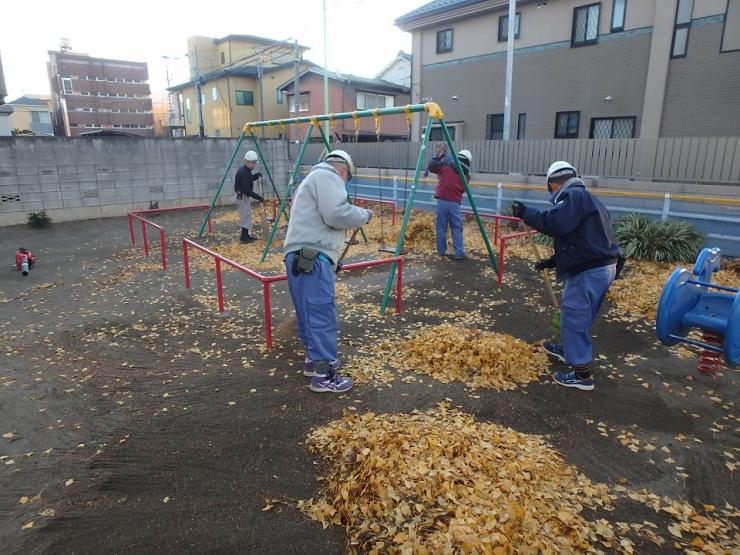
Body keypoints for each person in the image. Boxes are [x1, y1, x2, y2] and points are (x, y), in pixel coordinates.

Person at [511, 161, 623, 392]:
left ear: (553, 183)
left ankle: (582, 375)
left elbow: (557, 224)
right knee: (580, 314)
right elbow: (583, 239)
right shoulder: (590, 199)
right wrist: (552, 262)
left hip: (589, 271)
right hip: (603, 266)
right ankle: (570, 351)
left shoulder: (571, 196)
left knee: (574, 316)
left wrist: (526, 213)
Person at [283, 150, 373, 394]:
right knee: (321, 312)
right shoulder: (328, 176)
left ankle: (314, 361)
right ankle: (324, 375)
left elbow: (323, 220)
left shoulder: (312, 180)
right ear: (343, 171)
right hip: (313, 258)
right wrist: (363, 215)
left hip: (301, 257)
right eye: (347, 180)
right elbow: (336, 213)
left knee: (308, 311)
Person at [428, 149, 472, 261]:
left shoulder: (445, 167)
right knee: (457, 228)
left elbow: (432, 167)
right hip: (455, 204)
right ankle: (459, 252)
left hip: (442, 202)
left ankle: (441, 251)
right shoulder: (466, 176)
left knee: (441, 227)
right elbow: (463, 189)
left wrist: (439, 157)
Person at [234, 150, 264, 243]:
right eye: (253, 163)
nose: (254, 165)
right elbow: (247, 190)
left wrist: (256, 175)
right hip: (242, 196)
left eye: (255, 163)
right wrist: (258, 197)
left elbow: (249, 179)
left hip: (243, 195)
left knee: (247, 215)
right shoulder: (243, 172)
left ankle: (246, 235)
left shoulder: (246, 170)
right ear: (247, 161)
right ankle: (243, 238)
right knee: (245, 215)